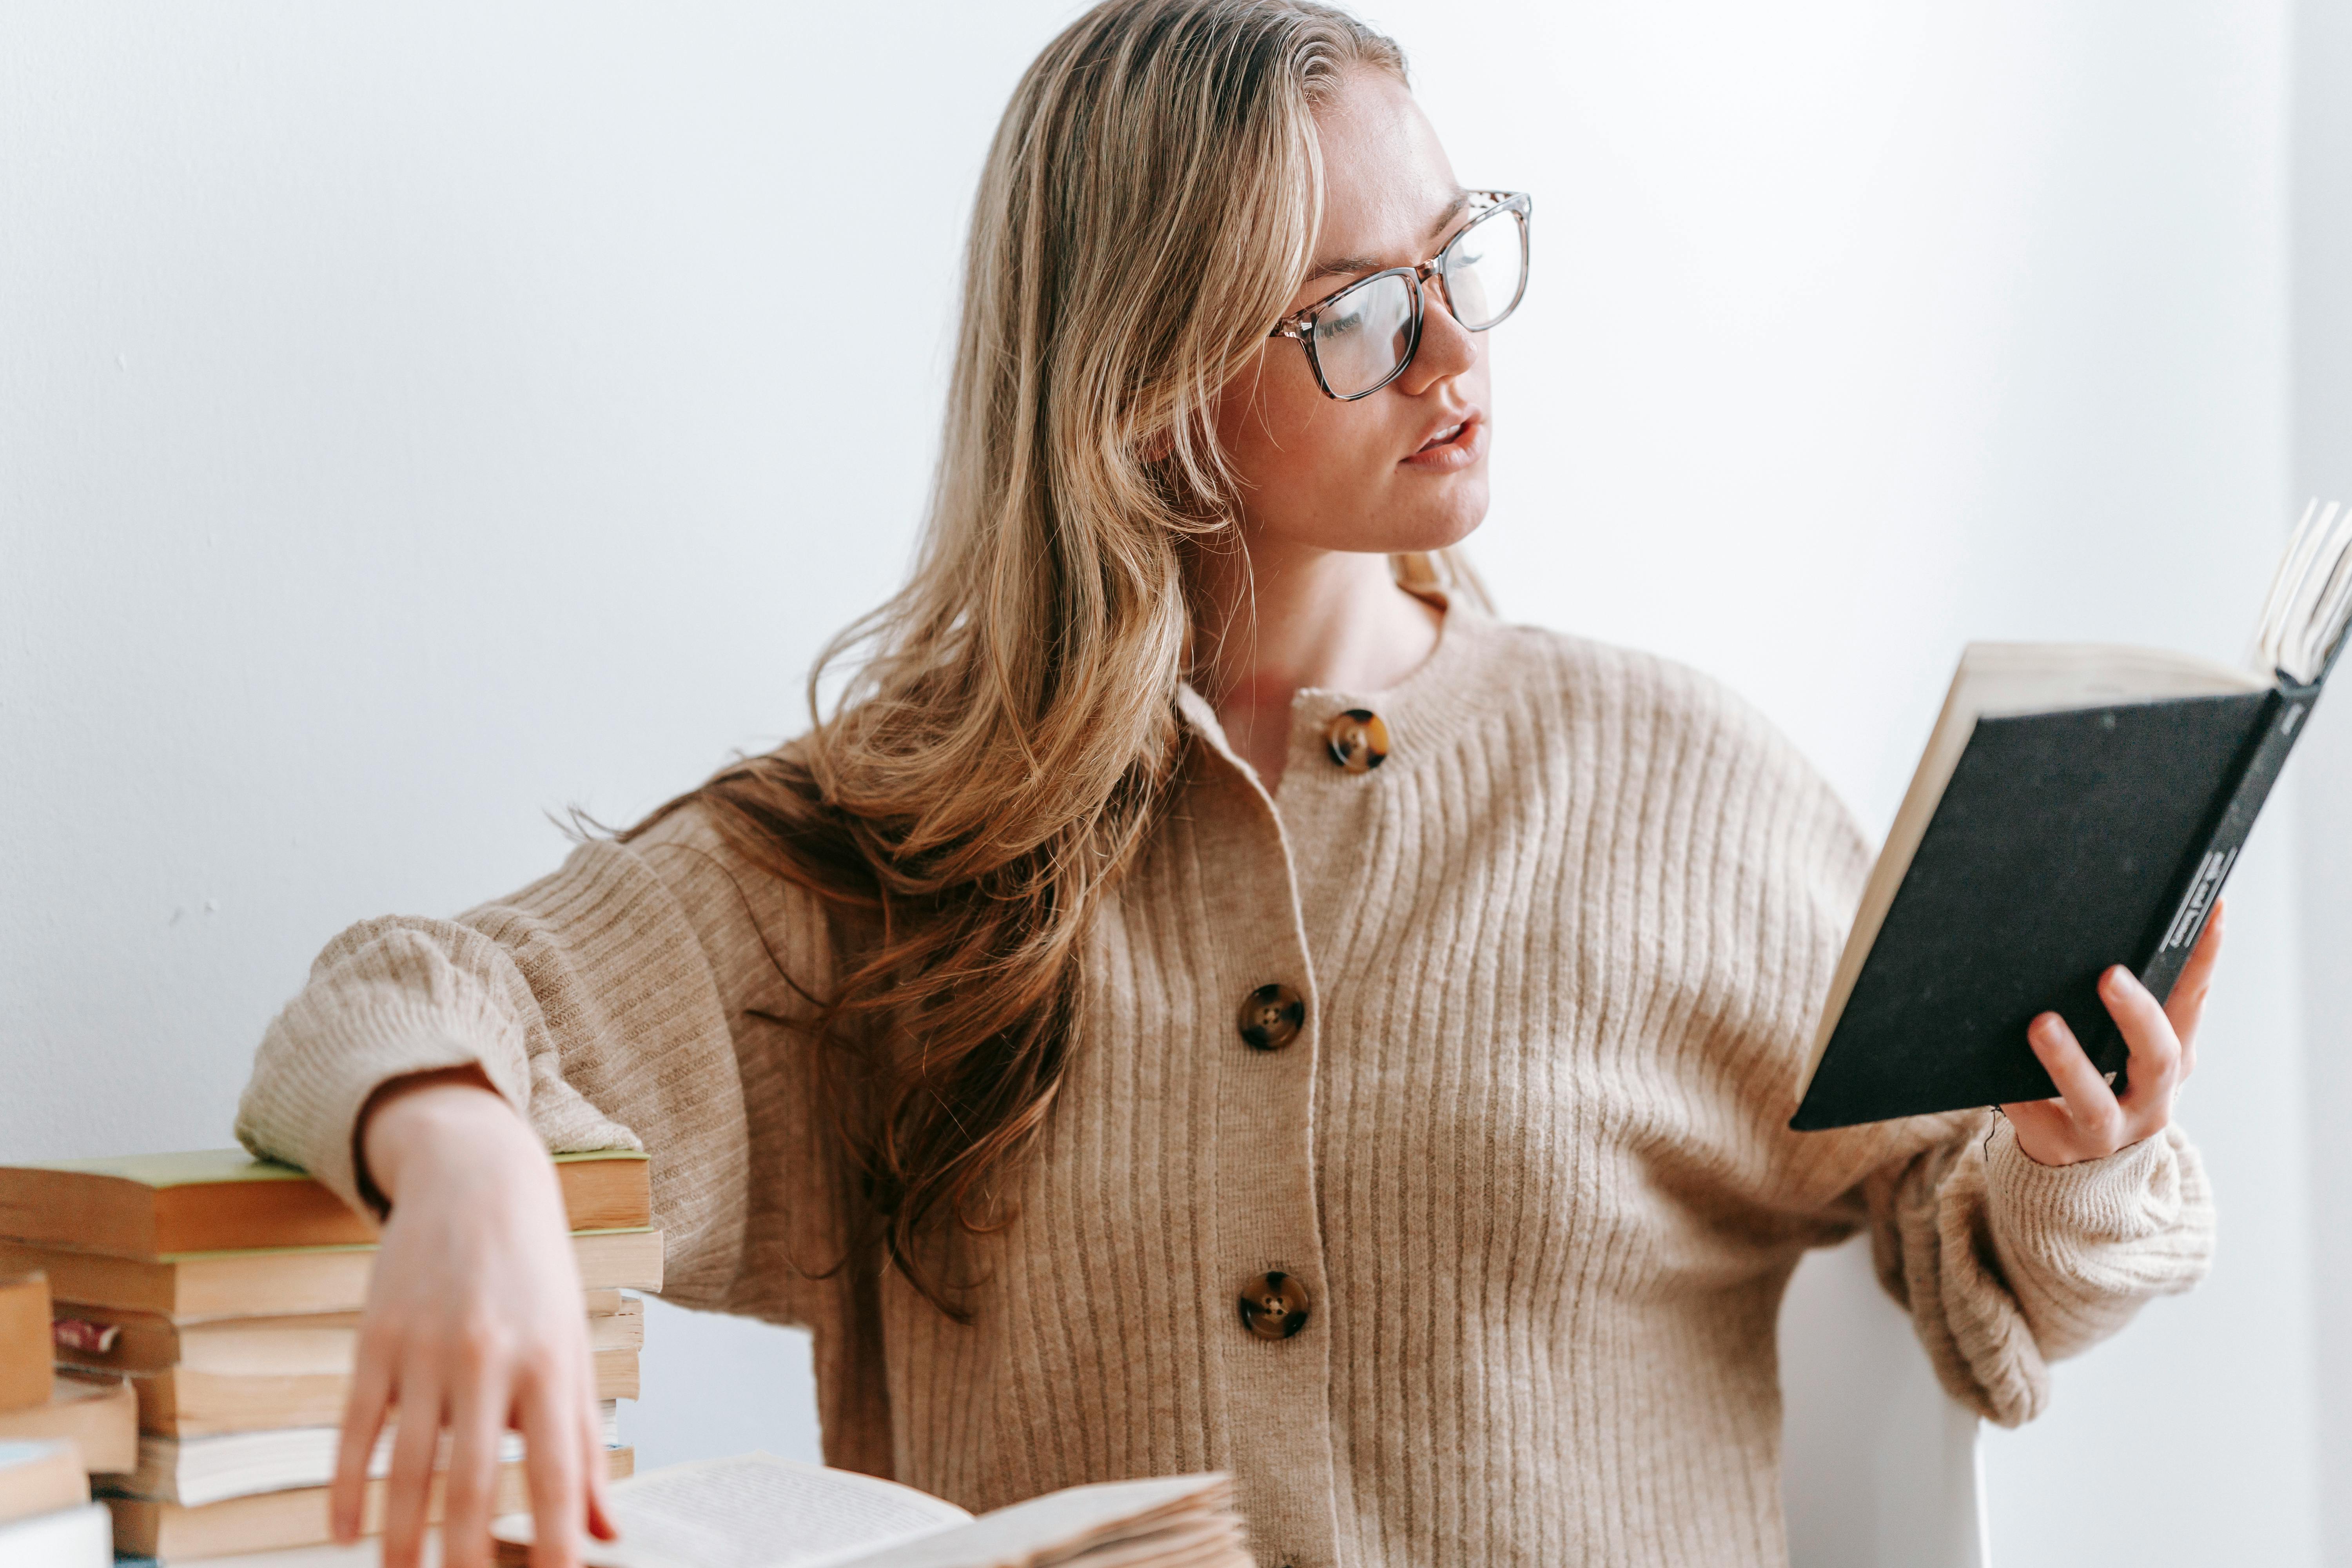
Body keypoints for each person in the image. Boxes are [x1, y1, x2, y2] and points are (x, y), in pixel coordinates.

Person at [234, 2, 2220, 1564]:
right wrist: (473, 1159)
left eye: (1458, 253)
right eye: (1356, 310)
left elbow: (1980, 1280)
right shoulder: (908, 850)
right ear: (1146, 386)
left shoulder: (1670, 785)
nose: (1453, 346)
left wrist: (2079, 1158)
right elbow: (399, 991)